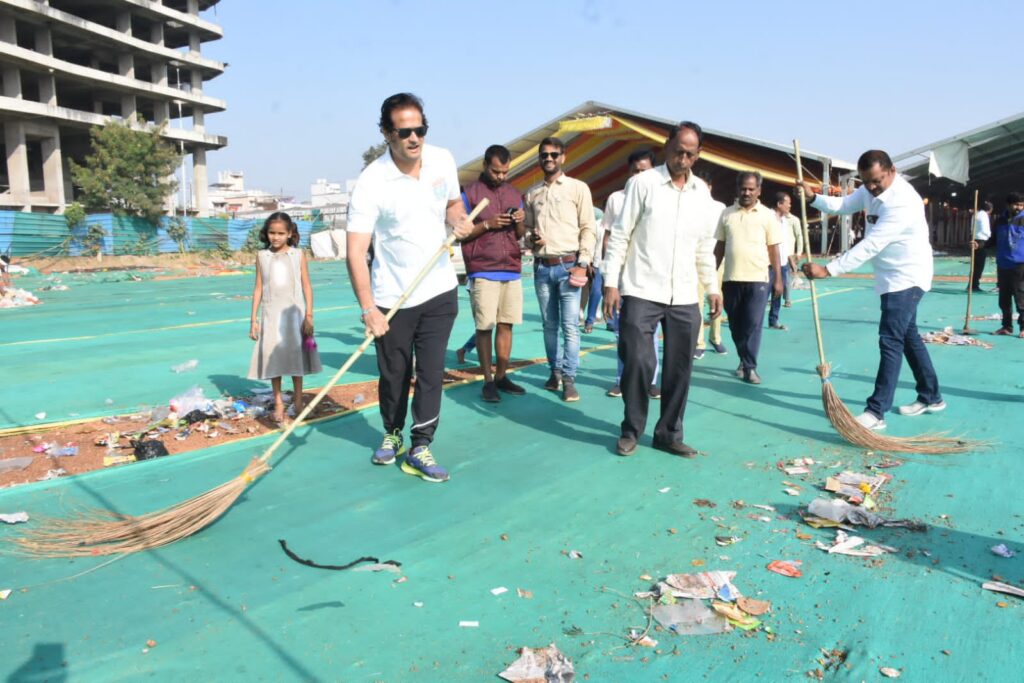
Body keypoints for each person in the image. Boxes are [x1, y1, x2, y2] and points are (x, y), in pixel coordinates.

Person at [346, 93, 473, 483]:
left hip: (438, 288)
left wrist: (460, 221)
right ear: (387, 133)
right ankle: (392, 432)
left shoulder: (443, 160)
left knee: (432, 372)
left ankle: (421, 445)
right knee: (395, 373)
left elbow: (453, 204)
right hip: (392, 297)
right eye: (405, 132)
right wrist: (369, 308)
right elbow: (355, 251)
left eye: (420, 129)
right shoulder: (372, 182)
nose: (414, 138)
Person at [800, 149, 944, 430]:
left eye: (877, 180)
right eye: (867, 182)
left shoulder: (903, 201)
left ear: (892, 171)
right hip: (889, 277)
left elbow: (871, 245)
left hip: (908, 277)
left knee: (890, 339)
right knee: (908, 336)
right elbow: (843, 205)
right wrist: (813, 198)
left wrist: (829, 269)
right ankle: (932, 396)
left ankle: (876, 411)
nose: (872, 187)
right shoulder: (869, 191)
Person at [604, 121, 722, 457]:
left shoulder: (702, 192)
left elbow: (704, 246)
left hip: (685, 293)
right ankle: (631, 429)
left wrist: (712, 287)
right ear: (666, 146)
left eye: (689, 154)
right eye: (677, 151)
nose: (682, 159)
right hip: (642, 287)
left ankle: (668, 433)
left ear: (697, 156)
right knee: (639, 361)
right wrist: (611, 282)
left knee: (679, 367)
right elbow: (621, 235)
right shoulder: (643, 183)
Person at [524, 137, 597, 402]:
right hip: (542, 268)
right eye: (544, 155)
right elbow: (528, 232)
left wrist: (583, 263)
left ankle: (569, 378)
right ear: (540, 158)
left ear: (563, 157)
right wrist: (532, 238)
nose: (549, 159)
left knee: (570, 326)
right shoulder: (532, 194)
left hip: (569, 267)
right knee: (548, 325)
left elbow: (589, 227)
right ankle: (554, 372)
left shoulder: (578, 189)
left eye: (554, 154)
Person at [460, 144, 527, 402]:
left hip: (510, 267)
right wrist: (487, 224)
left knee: (506, 324)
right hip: (483, 268)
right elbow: (461, 233)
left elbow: (520, 234)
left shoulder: (514, 193)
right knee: (484, 326)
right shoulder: (470, 193)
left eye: (505, 172)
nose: (501, 176)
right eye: (496, 171)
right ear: (485, 166)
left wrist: (520, 219)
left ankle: (502, 376)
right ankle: (488, 380)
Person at [248, 212, 322, 423]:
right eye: (272, 233)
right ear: (266, 233)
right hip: (271, 315)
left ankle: (298, 403)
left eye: (281, 233)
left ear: (290, 233)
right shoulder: (262, 256)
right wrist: (253, 319)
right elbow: (258, 288)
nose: (276, 237)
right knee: (274, 359)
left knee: (296, 357)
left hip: (295, 315)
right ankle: (279, 403)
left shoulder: (298, 255)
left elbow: (306, 285)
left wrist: (309, 315)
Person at [601, 149, 661, 398]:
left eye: (644, 170)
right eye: (635, 170)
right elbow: (608, 236)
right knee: (622, 332)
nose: (639, 175)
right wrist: (610, 274)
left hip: (650, 277)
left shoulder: (661, 196)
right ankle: (621, 379)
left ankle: (651, 380)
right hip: (622, 277)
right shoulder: (616, 199)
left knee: (652, 333)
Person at [714, 172, 784, 384]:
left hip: (759, 279)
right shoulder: (726, 214)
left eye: (751, 189)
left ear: (759, 191)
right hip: (731, 279)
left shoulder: (767, 215)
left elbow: (774, 249)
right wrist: (711, 275)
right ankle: (744, 359)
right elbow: (720, 247)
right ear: (738, 189)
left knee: (753, 323)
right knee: (736, 326)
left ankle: (750, 367)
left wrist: (779, 279)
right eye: (743, 188)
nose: (747, 192)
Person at [694, 172, 728, 358]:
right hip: (696, 260)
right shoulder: (690, 206)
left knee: (716, 299)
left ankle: (716, 337)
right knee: (697, 301)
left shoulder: (720, 208)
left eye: (704, 185)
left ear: (710, 187)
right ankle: (699, 342)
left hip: (717, 260)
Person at [768, 190, 803, 328]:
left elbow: (783, 244)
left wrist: (791, 260)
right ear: (779, 204)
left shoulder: (784, 220)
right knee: (762, 294)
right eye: (787, 203)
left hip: (782, 262)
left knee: (778, 291)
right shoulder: (768, 218)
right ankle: (753, 322)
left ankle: (773, 320)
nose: (789, 206)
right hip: (768, 264)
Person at [992, 192, 1024, 337]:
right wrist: (978, 245)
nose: (1019, 207)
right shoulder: (1000, 220)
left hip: (1020, 264)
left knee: (1020, 297)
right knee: (1004, 299)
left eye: (1021, 205)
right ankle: (1006, 326)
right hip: (1003, 263)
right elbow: (992, 240)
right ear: (1008, 205)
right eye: (1016, 204)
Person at [970, 200, 993, 293]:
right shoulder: (984, 215)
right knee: (979, 265)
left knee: (975, 264)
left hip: (974, 239)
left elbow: (972, 228)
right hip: (981, 241)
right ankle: (975, 285)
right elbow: (985, 229)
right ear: (990, 209)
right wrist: (990, 236)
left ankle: (972, 284)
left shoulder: (976, 214)